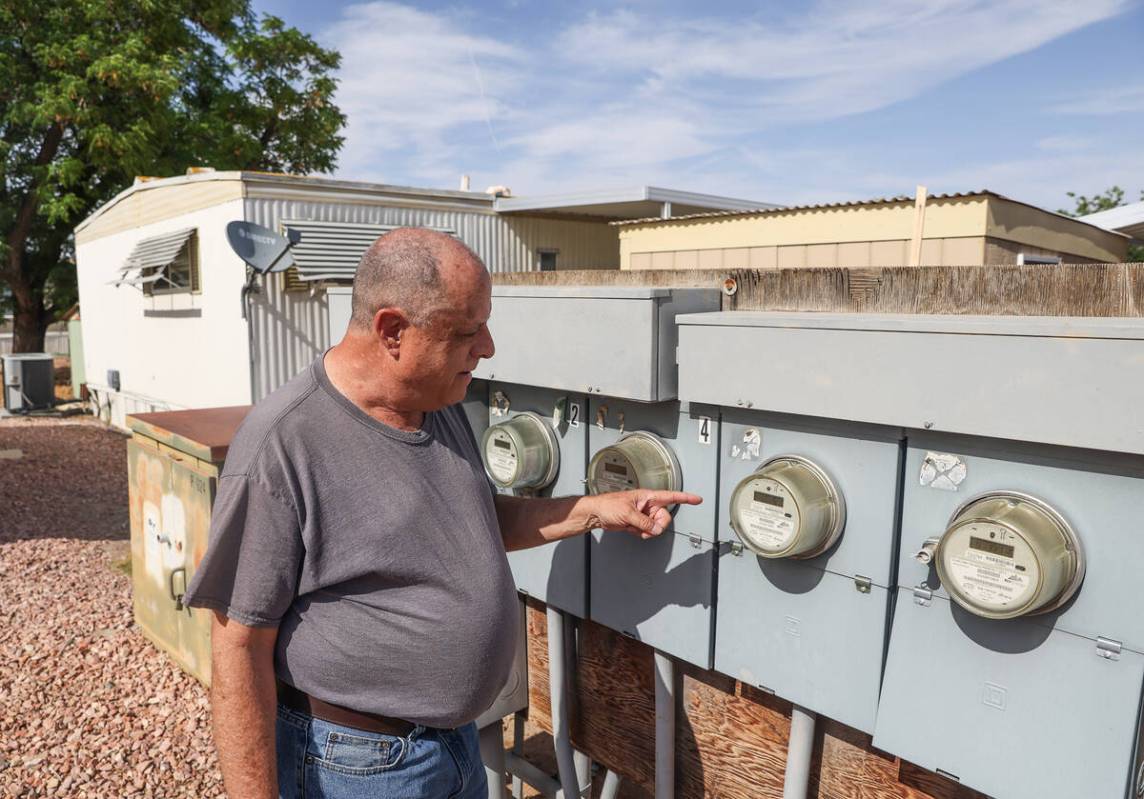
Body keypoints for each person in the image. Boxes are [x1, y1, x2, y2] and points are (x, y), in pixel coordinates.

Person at [183, 228, 701, 799]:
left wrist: (592, 510)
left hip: (456, 743)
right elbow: (237, 643)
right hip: (360, 765)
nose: (488, 347)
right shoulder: (282, 446)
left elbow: (469, 524)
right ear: (392, 331)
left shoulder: (436, 400)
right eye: (466, 330)